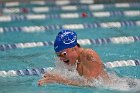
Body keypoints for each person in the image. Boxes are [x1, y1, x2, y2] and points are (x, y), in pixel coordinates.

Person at [38, 29, 109, 86]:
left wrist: (59, 80)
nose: (61, 58)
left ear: (74, 48)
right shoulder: (75, 61)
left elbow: (91, 85)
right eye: (58, 55)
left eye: (63, 54)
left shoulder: (88, 55)